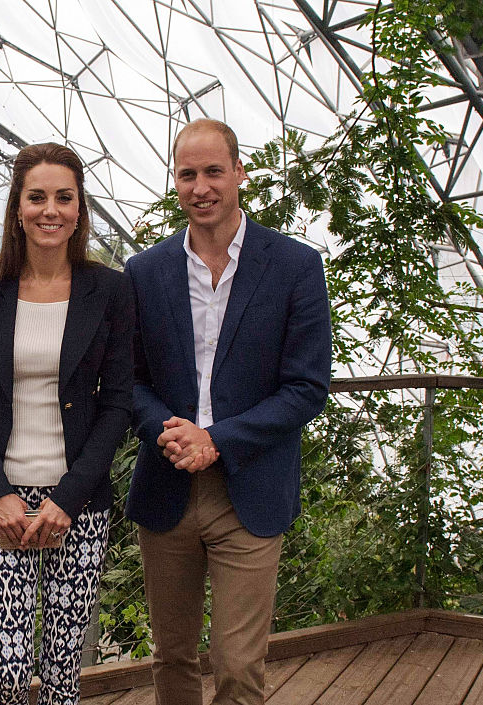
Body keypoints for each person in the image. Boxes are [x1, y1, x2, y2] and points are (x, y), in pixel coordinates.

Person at [125, 119, 332, 705]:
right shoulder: (146, 272)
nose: (201, 187)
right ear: (176, 181)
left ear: (240, 173)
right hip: (167, 486)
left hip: (249, 488)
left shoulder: (294, 266)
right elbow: (128, 380)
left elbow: (306, 385)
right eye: (187, 174)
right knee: (172, 658)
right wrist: (172, 435)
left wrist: (215, 439)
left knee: (239, 667)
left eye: (213, 171)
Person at [0, 142, 133, 705]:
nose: (49, 210)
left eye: (64, 197)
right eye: (37, 197)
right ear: (17, 206)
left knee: (62, 674)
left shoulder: (109, 290)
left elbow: (118, 402)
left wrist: (70, 499)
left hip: (76, 501)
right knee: (7, 674)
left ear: (79, 209)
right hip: (3, 502)